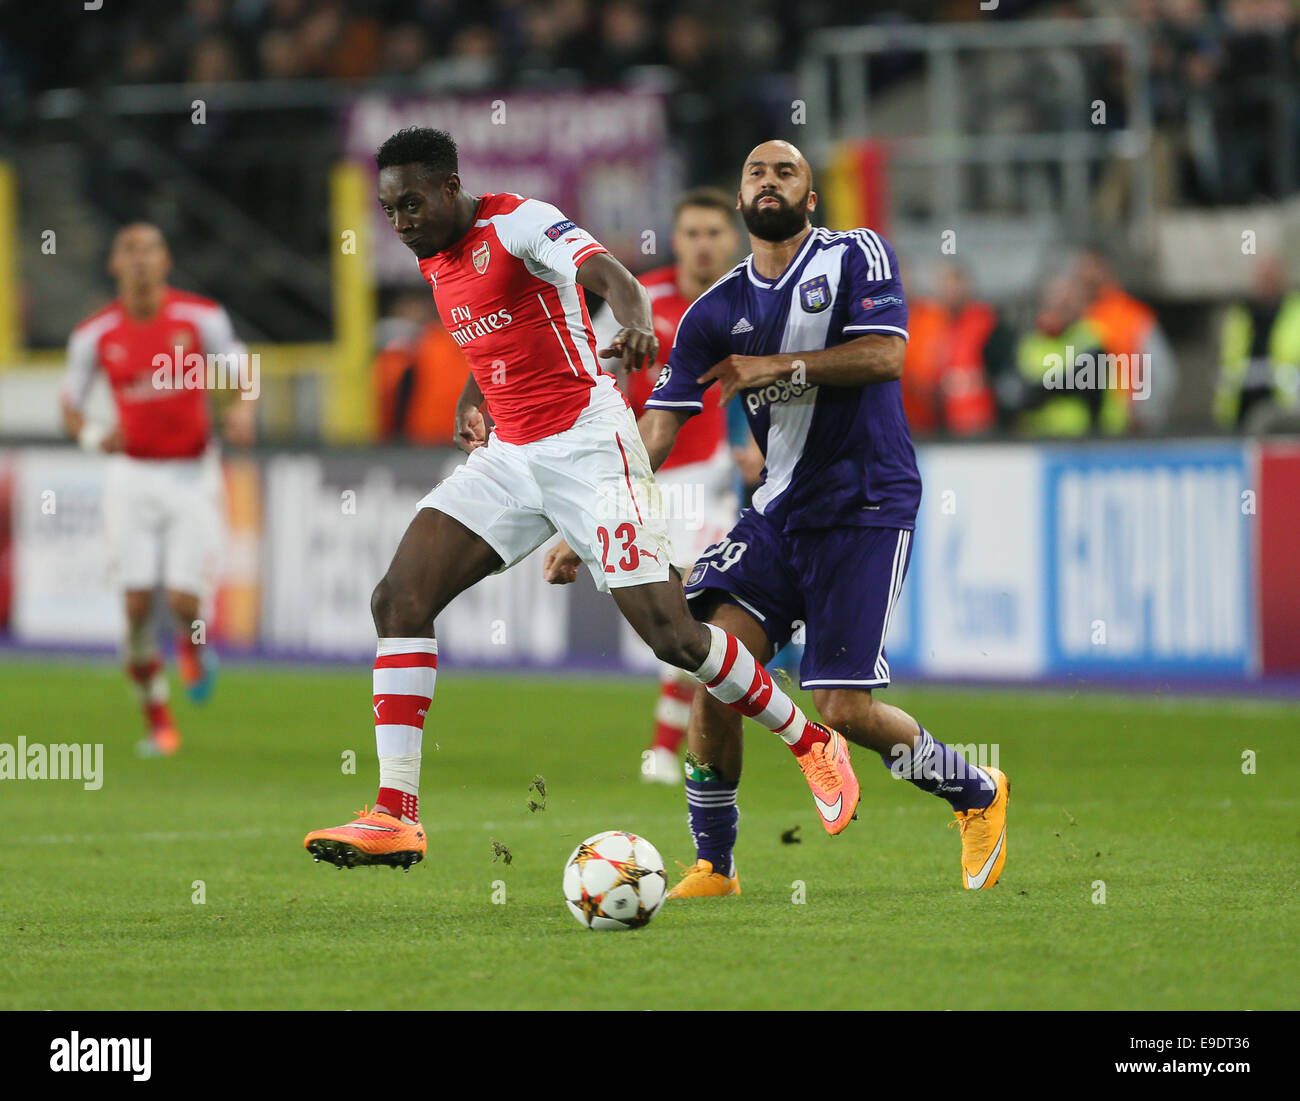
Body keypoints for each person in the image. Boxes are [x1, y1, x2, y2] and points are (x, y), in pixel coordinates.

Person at [302, 128, 855, 871]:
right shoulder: (434, 256)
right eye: (387, 209)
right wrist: (476, 396)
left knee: (674, 636)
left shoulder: (519, 221)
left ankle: (812, 740)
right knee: (398, 597)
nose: (398, 222)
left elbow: (608, 274)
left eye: (408, 204)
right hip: (511, 457)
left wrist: (632, 316)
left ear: (447, 188)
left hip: (591, 449)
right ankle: (395, 811)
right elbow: (493, 341)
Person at [548, 139, 1011, 897]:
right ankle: (715, 864)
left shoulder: (858, 255)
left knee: (843, 708)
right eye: (755, 172)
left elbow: (886, 356)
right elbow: (656, 431)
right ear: (740, 202)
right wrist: (586, 523)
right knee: (715, 663)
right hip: (777, 513)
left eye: (785, 170)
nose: (769, 181)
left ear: (810, 195)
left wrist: (777, 368)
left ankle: (975, 793)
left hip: (865, 502)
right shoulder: (713, 312)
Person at [60, 223, 254, 757]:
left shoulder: (200, 317)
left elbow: (242, 372)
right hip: (131, 476)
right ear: (114, 265)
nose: (140, 260)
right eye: (129, 251)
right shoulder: (94, 334)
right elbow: (70, 408)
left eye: (150, 250)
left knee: (185, 600)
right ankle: (159, 723)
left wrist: (240, 409)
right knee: (137, 604)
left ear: (166, 261)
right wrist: (97, 436)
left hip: (192, 473)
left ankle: (194, 646)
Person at [591, 187, 743, 785]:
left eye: (714, 233)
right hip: (641, 474)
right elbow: (593, 373)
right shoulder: (641, 300)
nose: (703, 245)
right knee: (684, 616)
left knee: (697, 610)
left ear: (730, 240)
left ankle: (667, 750)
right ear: (675, 240)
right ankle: (681, 746)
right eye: (692, 234)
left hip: (703, 481)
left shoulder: (745, 302)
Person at [1214, 253, 1300, 430]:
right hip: (1239, 412)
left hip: (1286, 412)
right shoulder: (1239, 316)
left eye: (1271, 278)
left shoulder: (1295, 313)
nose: (1266, 283)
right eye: (1262, 278)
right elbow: (1226, 363)